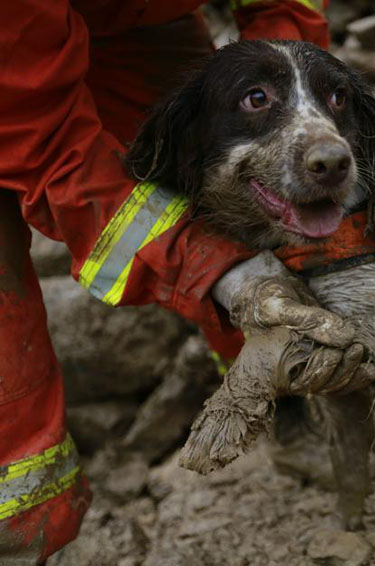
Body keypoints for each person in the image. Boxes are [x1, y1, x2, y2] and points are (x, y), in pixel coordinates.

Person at [0, 1, 349, 562]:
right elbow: (46, 151)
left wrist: (285, 87)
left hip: (135, 16)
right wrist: (213, 267)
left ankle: (291, 407)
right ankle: (18, 540)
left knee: (226, 170)